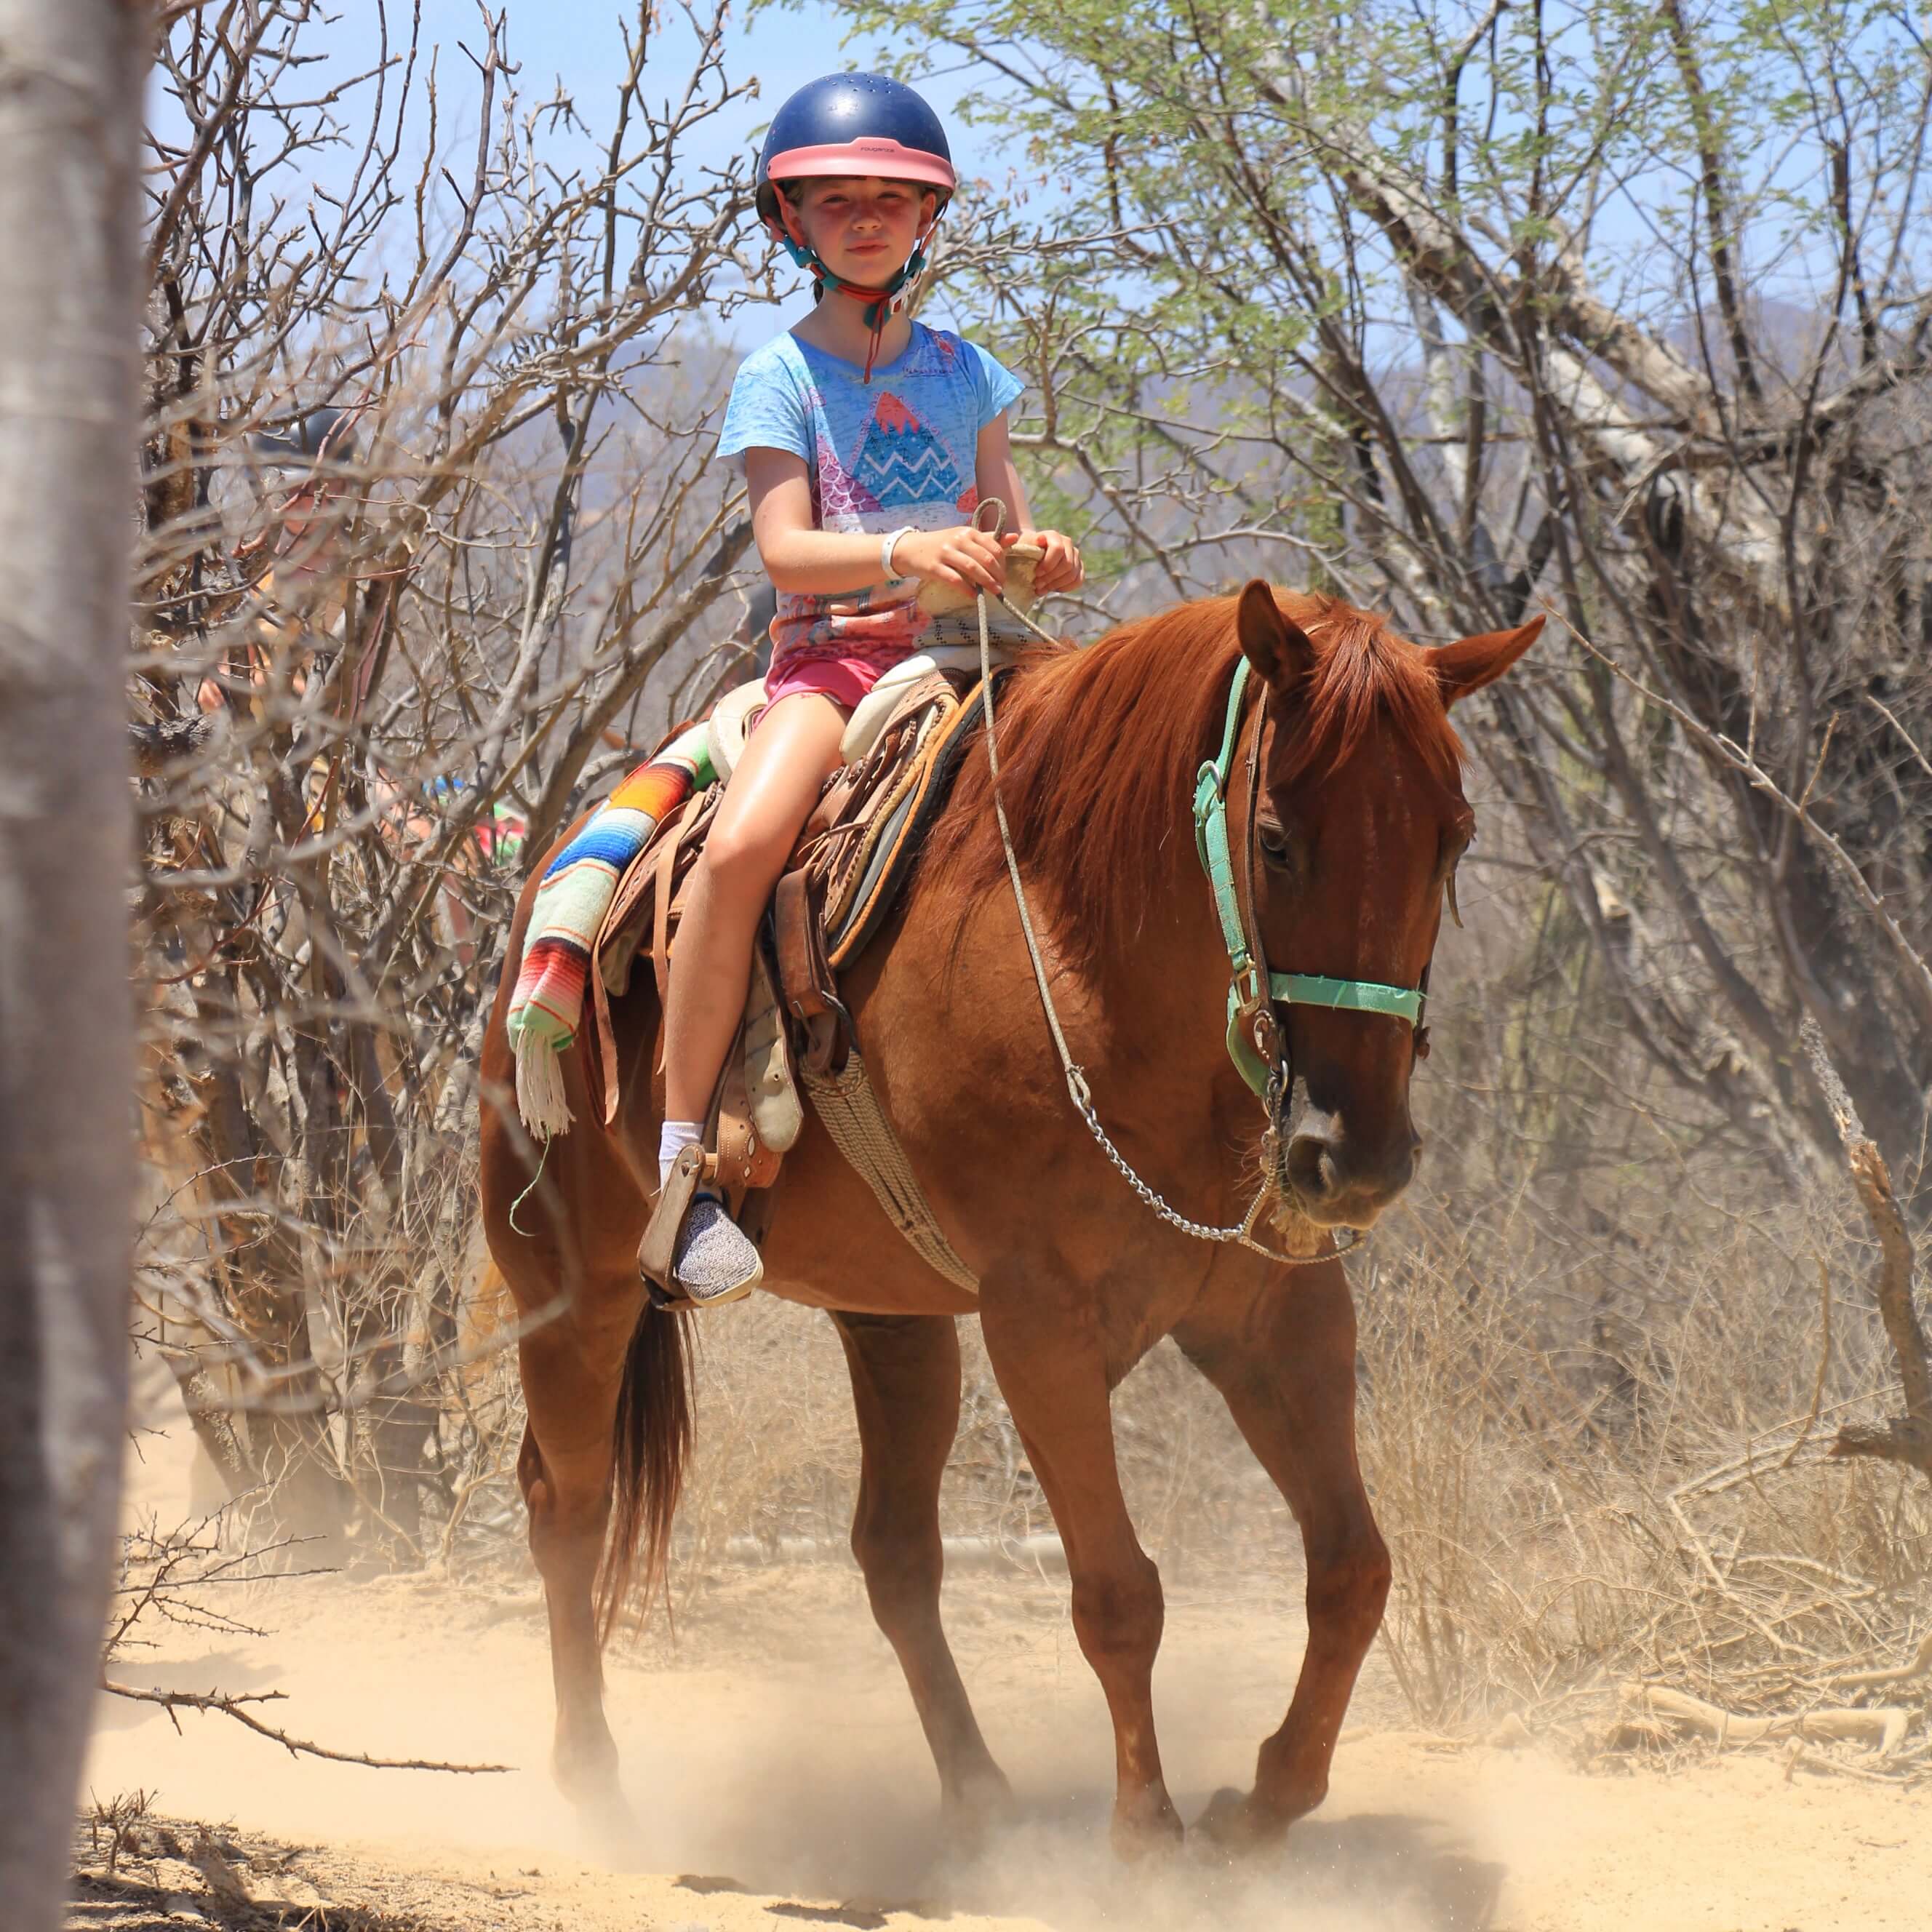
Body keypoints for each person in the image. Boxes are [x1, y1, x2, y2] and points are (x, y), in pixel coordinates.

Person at [658, 71, 1085, 1304]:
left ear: (927, 221)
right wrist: (903, 549)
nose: (865, 220)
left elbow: (1000, 514)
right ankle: (686, 1164)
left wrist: (1031, 554)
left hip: (980, 653)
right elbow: (786, 551)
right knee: (739, 850)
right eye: (833, 202)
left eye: (890, 202)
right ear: (790, 223)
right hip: (836, 664)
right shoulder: (777, 378)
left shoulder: (973, 375)